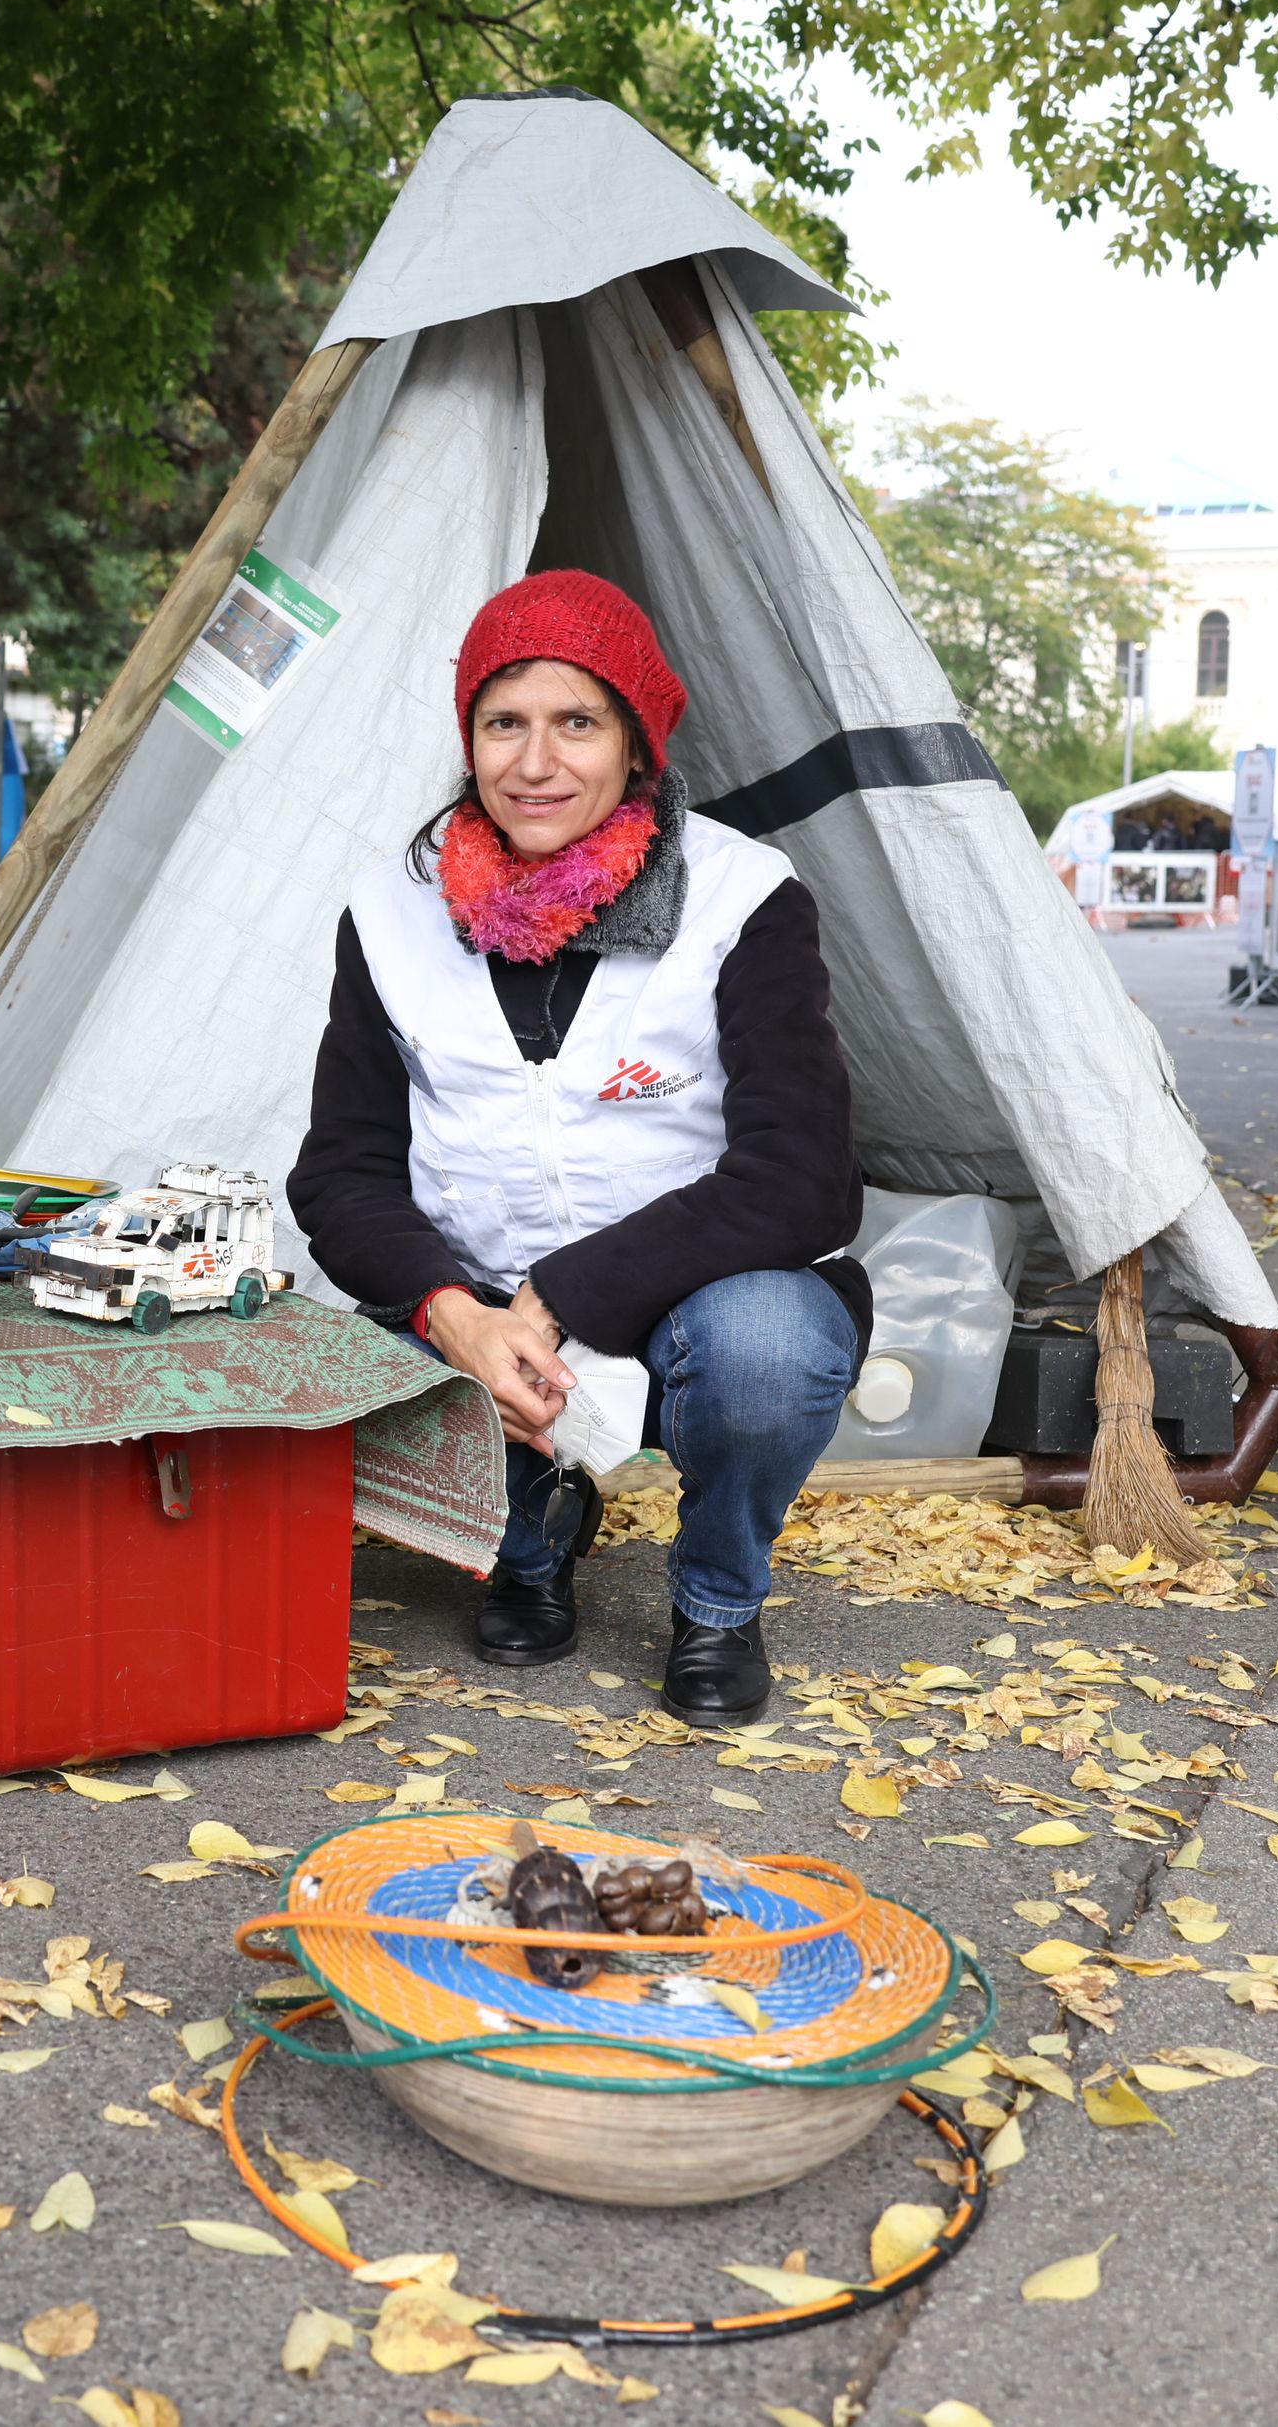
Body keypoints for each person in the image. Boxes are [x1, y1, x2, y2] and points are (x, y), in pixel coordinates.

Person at [289, 570, 867, 1725]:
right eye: (504, 722)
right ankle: (529, 1543)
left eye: (576, 723)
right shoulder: (388, 911)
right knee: (325, 1360)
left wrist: (554, 1303)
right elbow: (340, 1170)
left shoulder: (741, 897)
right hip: (473, 1295)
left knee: (768, 1352)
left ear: (636, 742)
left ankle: (715, 1603)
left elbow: (803, 1177)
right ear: (469, 738)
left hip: (685, 1303)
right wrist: (458, 1314)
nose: (535, 763)